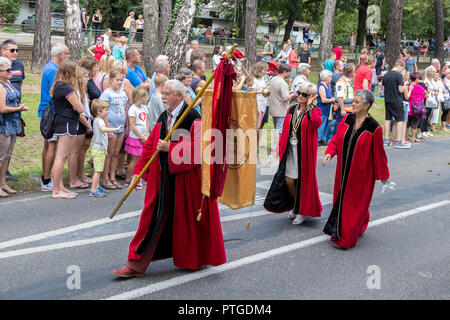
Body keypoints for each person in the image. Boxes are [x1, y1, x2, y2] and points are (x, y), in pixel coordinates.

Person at [112, 79, 226, 278]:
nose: (162, 97)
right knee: (150, 219)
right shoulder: (164, 116)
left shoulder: (193, 118)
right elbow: (151, 147)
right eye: (162, 93)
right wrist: (138, 172)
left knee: (190, 223)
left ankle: (193, 259)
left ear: (179, 96)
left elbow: (201, 151)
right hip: (162, 179)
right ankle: (136, 265)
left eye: (167, 94)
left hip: (186, 182)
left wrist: (171, 148)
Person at [322, 90, 390, 249]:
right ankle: (354, 225)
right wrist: (330, 152)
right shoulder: (347, 119)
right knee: (342, 202)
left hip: (361, 176)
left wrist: (383, 175)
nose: (352, 103)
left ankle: (346, 240)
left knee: (353, 206)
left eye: (356, 102)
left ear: (367, 105)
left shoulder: (374, 128)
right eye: (353, 100)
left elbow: (379, 154)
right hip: (342, 171)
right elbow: (336, 138)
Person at [264, 81, 322, 225]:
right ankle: (297, 206)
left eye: (304, 94)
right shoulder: (291, 109)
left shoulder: (314, 111)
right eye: (299, 93)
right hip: (290, 150)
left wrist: (309, 108)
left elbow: (316, 124)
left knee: (303, 181)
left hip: (305, 152)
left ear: (311, 97)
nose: (300, 96)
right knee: (289, 180)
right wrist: (278, 149)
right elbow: (285, 130)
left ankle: (301, 210)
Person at [50, 60, 85, 199]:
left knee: (61, 156)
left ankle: (60, 187)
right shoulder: (66, 88)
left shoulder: (58, 85)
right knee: (61, 157)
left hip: (63, 121)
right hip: (67, 123)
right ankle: (56, 190)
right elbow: (80, 108)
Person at [38, 43, 70, 192]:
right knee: (52, 145)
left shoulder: (50, 67)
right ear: (60, 55)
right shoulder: (53, 70)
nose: (68, 56)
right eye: (67, 54)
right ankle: (46, 179)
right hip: (51, 111)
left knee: (48, 145)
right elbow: (55, 93)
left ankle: (46, 176)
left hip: (47, 110)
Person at [0, 57, 29, 198]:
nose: (11, 72)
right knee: (1, 155)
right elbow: (3, 108)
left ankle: (3, 183)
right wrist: (19, 108)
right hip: (4, 125)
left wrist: (19, 106)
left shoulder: (9, 83)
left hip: (13, 123)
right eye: (7, 70)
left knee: (7, 155)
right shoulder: (0, 86)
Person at [99, 70, 129, 190]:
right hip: (111, 126)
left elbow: (126, 108)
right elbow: (103, 112)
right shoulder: (107, 94)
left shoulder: (123, 93)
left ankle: (113, 176)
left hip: (121, 127)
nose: (120, 82)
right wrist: (108, 128)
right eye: (117, 80)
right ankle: (105, 177)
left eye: (121, 80)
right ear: (110, 80)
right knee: (109, 153)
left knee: (116, 153)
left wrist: (127, 124)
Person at [1, 39, 25, 182]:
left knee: (9, 149)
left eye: (17, 50)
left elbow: (19, 84)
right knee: (2, 148)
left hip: (15, 111)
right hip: (4, 114)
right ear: (3, 51)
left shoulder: (19, 65)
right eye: (12, 50)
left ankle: (5, 176)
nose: (15, 53)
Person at [89, 99, 123, 197]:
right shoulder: (100, 121)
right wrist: (115, 129)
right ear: (99, 111)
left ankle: (96, 186)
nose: (108, 111)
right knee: (98, 170)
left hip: (100, 148)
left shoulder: (98, 120)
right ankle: (93, 189)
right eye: (106, 110)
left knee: (99, 169)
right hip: (99, 149)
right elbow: (103, 129)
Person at [67, 66, 93, 189]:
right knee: (74, 153)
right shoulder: (75, 92)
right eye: (85, 76)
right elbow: (79, 112)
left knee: (78, 152)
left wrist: (90, 117)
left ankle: (78, 175)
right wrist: (88, 125)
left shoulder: (82, 91)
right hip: (79, 125)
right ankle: (73, 179)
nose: (88, 79)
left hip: (84, 123)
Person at [268, 63, 297, 156]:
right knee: (279, 130)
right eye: (288, 73)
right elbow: (285, 98)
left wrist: (288, 92)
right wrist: (292, 94)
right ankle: (275, 148)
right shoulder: (282, 82)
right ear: (284, 72)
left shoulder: (273, 79)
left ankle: (275, 147)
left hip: (273, 107)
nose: (289, 75)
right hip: (281, 109)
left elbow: (278, 93)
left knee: (276, 127)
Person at [124, 87, 149, 189]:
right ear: (138, 97)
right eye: (144, 96)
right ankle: (128, 179)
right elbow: (133, 125)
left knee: (140, 159)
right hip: (136, 137)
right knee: (134, 159)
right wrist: (140, 136)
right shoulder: (133, 109)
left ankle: (137, 176)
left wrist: (147, 133)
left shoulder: (144, 107)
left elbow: (147, 121)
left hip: (143, 136)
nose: (145, 98)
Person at [383, 59, 410, 149]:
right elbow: (400, 90)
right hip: (397, 100)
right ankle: (399, 141)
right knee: (400, 120)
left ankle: (386, 139)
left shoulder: (386, 75)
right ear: (399, 66)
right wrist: (405, 84)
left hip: (388, 100)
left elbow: (384, 89)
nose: (401, 70)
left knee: (388, 119)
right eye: (401, 68)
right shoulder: (398, 76)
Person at [404, 72, 427, 142]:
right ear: (416, 79)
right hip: (417, 107)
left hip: (409, 107)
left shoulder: (408, 87)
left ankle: (406, 136)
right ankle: (413, 137)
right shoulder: (419, 87)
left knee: (407, 122)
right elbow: (426, 94)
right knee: (415, 122)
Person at [333, 63, 355, 136]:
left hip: (349, 108)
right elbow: (340, 96)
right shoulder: (341, 82)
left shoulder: (348, 81)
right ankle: (335, 140)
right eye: (353, 71)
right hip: (342, 108)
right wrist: (342, 109)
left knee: (346, 126)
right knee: (339, 125)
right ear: (350, 72)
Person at [317, 70, 336, 146]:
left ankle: (322, 139)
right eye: (330, 76)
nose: (331, 78)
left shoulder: (326, 86)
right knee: (321, 125)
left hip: (327, 109)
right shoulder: (322, 86)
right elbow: (323, 100)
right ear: (326, 77)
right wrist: (332, 99)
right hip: (322, 109)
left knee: (325, 125)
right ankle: (318, 139)